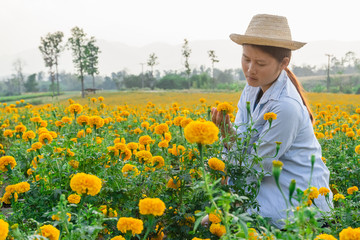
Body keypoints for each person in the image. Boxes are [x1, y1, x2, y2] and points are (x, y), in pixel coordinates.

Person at [210, 14, 333, 228]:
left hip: (296, 205)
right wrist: (226, 131)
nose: (250, 69)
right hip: (265, 190)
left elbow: (256, 167)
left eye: (260, 63)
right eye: (246, 59)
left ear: (284, 63)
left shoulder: (286, 107)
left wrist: (224, 210)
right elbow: (241, 147)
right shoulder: (252, 88)